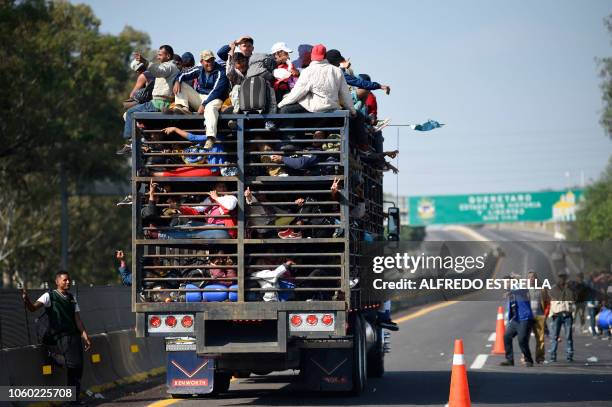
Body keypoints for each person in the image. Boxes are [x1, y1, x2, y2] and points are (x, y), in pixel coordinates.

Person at [22, 271, 92, 405]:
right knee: (73, 364)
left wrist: (85, 336)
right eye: (65, 280)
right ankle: (53, 357)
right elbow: (33, 308)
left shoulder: (72, 297)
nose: (68, 282)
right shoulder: (49, 295)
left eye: (69, 280)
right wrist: (26, 300)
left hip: (74, 336)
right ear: (57, 282)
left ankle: (74, 400)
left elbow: (78, 320)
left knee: (78, 368)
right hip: (61, 336)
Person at [119, 45, 179, 155]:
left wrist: (145, 62)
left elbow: (158, 71)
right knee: (145, 123)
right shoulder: (171, 67)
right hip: (159, 103)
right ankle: (140, 143)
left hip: (158, 104)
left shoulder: (169, 66)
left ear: (168, 56)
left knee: (130, 112)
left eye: (160, 54)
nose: (158, 56)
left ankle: (131, 143)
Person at [171, 50, 229, 149]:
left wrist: (204, 104)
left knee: (210, 108)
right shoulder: (199, 69)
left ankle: (210, 137)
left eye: (211, 60)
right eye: (207, 61)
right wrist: (177, 80)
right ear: (202, 62)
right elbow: (183, 74)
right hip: (201, 98)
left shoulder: (221, 71)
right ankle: (182, 107)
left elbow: (216, 91)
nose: (210, 63)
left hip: (215, 99)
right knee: (181, 84)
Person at [146, 183, 237, 239]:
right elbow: (198, 208)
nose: (223, 188)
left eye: (224, 186)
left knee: (193, 233)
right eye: (219, 187)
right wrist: (180, 207)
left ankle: (160, 235)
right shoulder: (211, 200)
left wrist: (216, 197)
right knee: (191, 224)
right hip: (211, 227)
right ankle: (160, 232)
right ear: (215, 189)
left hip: (224, 230)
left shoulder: (230, 197)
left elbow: (230, 206)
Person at [500, 275, 534, 367]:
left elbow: (525, 289)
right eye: (504, 283)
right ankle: (509, 360)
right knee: (506, 336)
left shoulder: (519, 289)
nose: (505, 284)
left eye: (507, 282)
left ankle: (528, 360)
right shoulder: (510, 292)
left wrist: (512, 289)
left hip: (525, 318)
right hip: (515, 319)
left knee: (522, 339)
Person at [324, 49, 391, 94]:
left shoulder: (316, 68)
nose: (338, 64)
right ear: (333, 62)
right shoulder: (337, 72)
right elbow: (357, 82)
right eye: (338, 62)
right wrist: (379, 86)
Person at [548, 270, 576, 362]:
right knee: (554, 336)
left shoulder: (570, 289)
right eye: (560, 278)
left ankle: (569, 354)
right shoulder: (554, 289)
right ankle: (552, 355)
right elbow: (550, 302)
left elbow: (573, 301)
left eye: (564, 278)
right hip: (557, 314)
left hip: (567, 314)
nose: (562, 279)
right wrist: (551, 314)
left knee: (568, 336)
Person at [527, 271, 549, 363]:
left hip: (539, 316)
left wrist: (546, 315)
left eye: (533, 277)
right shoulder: (524, 289)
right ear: (527, 279)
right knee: (525, 338)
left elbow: (547, 302)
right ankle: (525, 357)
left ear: (536, 278)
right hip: (527, 317)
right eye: (530, 277)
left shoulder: (542, 289)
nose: (531, 279)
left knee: (540, 339)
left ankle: (540, 357)